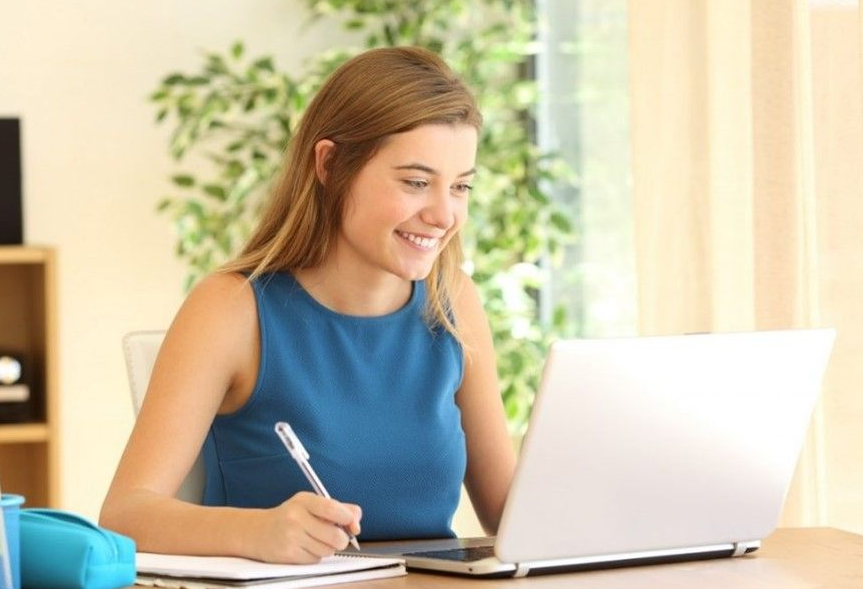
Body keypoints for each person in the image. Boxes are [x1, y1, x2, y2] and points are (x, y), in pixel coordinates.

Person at [100, 46, 516, 564]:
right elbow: (124, 514)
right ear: (329, 163)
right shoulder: (232, 307)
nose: (443, 214)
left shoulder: (452, 300)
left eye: (461, 187)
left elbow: (509, 512)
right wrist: (256, 532)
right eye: (415, 182)